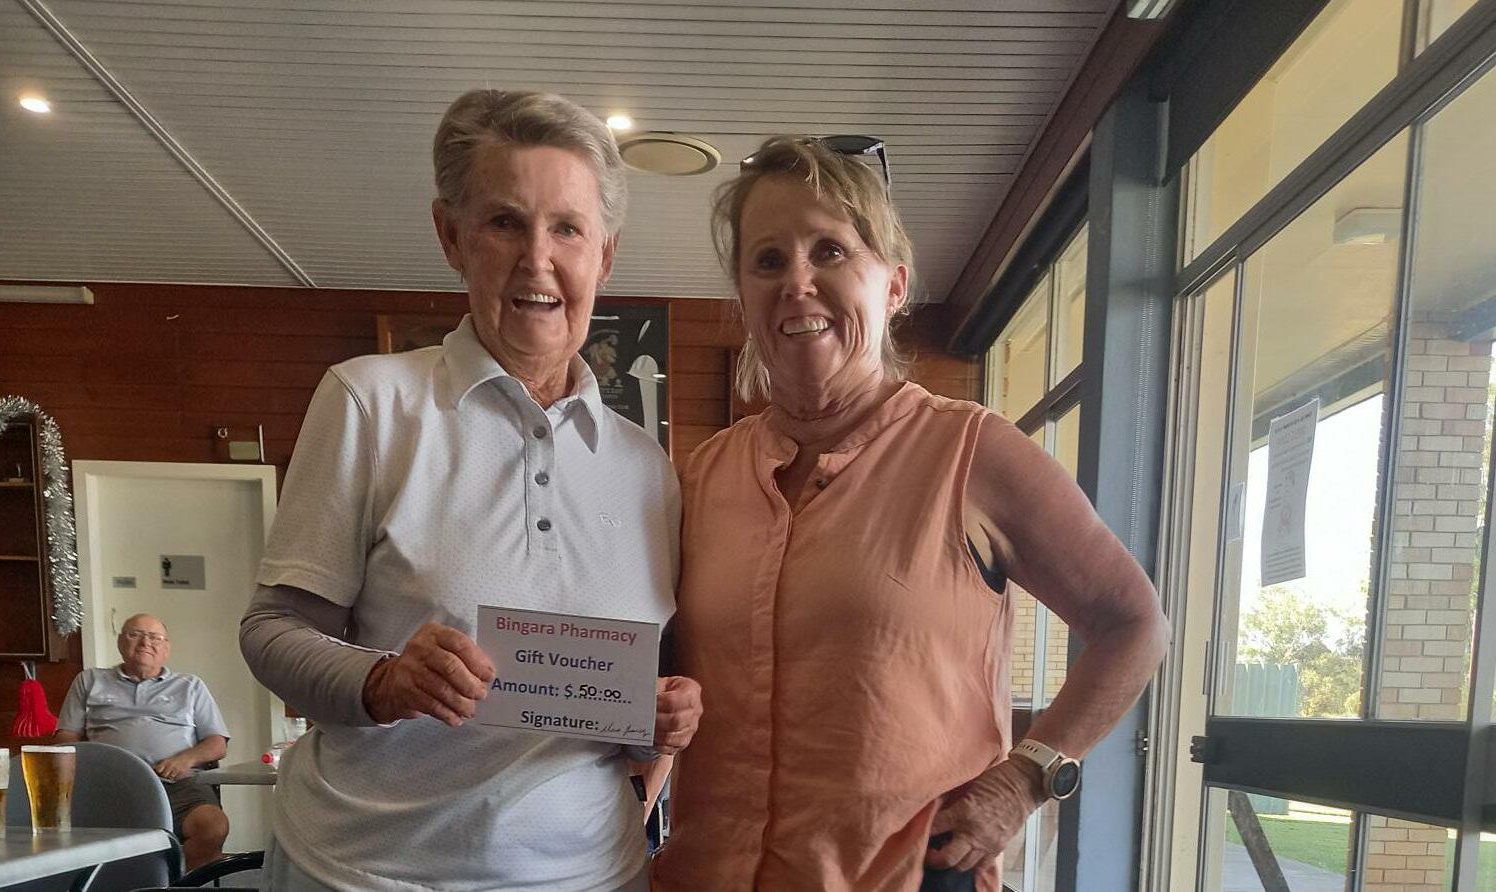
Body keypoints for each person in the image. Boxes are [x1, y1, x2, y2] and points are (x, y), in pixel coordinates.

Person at [649, 137, 1171, 891]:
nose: (797, 282)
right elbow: (666, 673)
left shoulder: (972, 452)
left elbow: (1134, 623)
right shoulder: (701, 476)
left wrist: (1027, 777)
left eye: (830, 251)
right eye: (768, 261)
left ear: (893, 286)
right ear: (743, 296)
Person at [238, 89, 702, 892]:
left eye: (567, 228)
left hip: (591, 875)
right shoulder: (370, 402)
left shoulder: (646, 469)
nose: (537, 259)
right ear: (450, 236)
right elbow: (271, 632)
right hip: (368, 873)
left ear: (605, 255)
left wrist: (659, 717)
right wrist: (382, 681)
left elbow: (622, 702)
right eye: (504, 222)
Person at [56, 613, 230, 870]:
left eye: (155, 637)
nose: (145, 642)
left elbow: (217, 743)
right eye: (135, 634)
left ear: (167, 648)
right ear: (120, 642)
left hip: (178, 785)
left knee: (213, 826)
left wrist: (185, 759)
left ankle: (182, 884)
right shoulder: (89, 680)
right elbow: (66, 738)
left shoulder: (190, 686)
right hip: (108, 785)